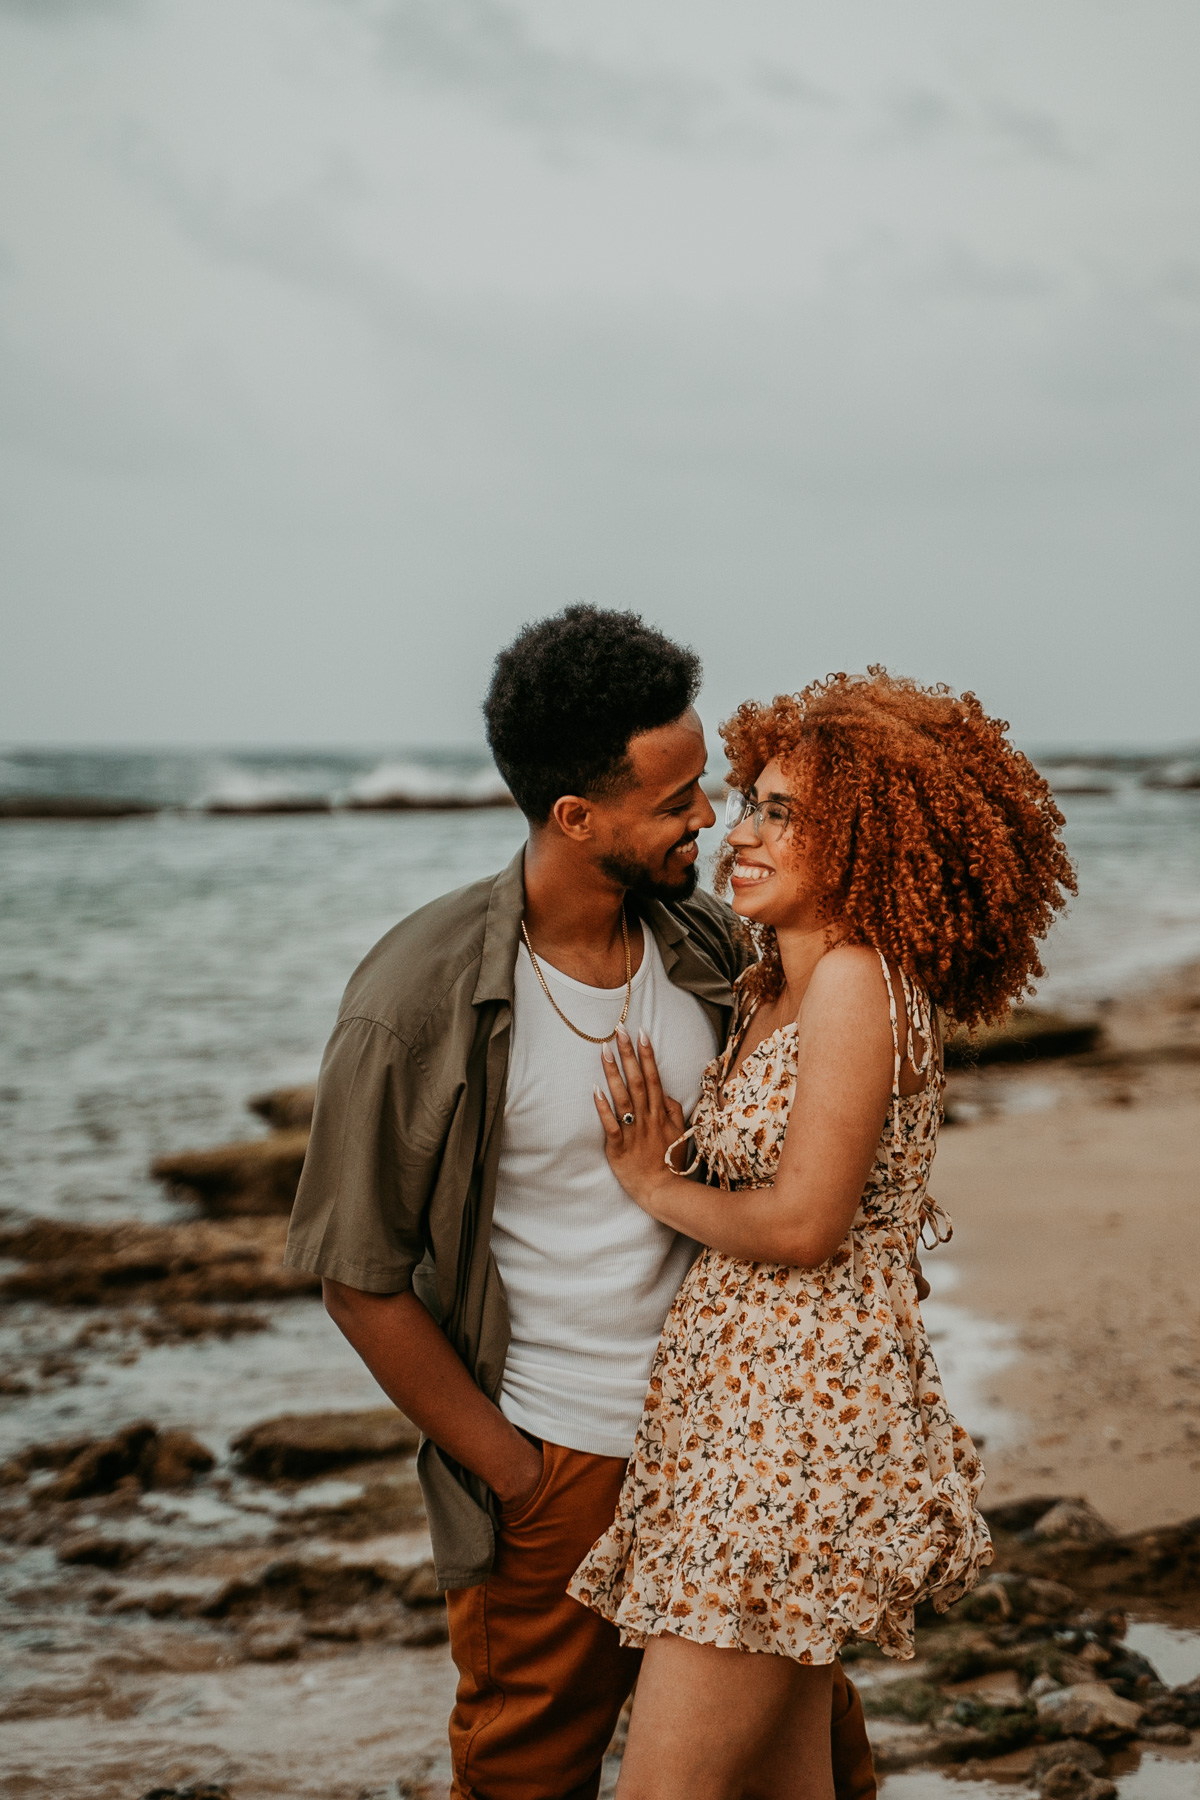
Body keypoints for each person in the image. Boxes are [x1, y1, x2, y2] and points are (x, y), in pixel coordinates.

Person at [283, 609, 877, 1800]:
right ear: (575, 817)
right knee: (528, 1783)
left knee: (811, 1772)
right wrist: (511, 1474)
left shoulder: (708, 947)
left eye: (708, 783)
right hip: (560, 1462)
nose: (708, 818)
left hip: (731, 1453)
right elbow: (355, 1272)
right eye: (676, 800)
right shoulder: (416, 1000)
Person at [569, 670, 1077, 1800]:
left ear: (872, 839)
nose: (739, 834)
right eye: (749, 801)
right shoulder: (769, 987)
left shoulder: (856, 980)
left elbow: (805, 1225)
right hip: (739, 1417)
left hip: (791, 1432)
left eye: (785, 813)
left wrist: (654, 1184)